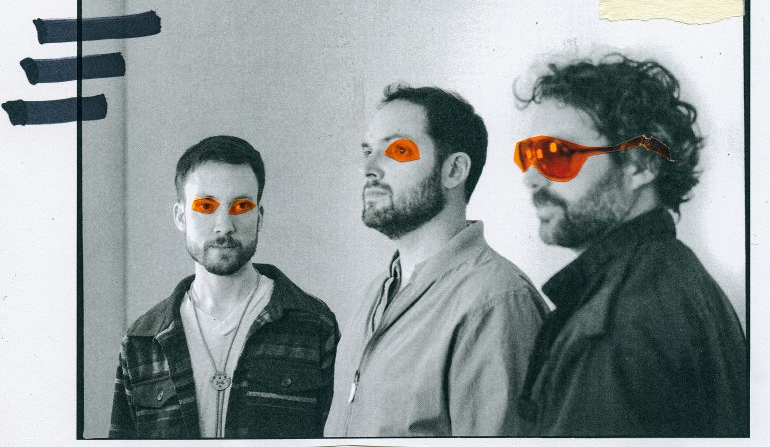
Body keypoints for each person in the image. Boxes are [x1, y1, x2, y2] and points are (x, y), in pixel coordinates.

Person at [513, 55, 748, 436]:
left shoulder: (614, 323)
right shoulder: (677, 276)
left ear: (640, 165)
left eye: (556, 155)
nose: (531, 178)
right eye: (529, 155)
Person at [325, 84, 547, 437]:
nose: (369, 167)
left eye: (398, 149)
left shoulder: (496, 302)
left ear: (454, 170)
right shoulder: (376, 294)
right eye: (368, 151)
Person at [109, 135, 339, 439]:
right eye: (206, 206)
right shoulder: (142, 340)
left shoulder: (314, 325)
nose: (224, 225)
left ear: (259, 217)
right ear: (181, 217)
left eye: (241, 206)